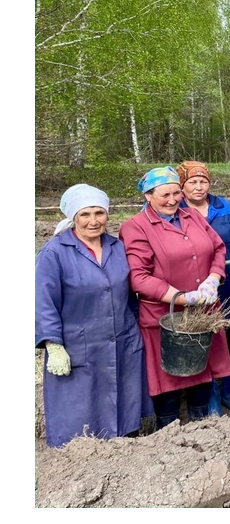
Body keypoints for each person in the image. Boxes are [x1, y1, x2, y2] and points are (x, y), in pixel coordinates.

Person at [35, 184, 153, 447]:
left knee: (122, 398)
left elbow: (131, 290)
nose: (93, 221)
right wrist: (53, 344)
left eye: (99, 213)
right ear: (73, 217)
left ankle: (123, 447)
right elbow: (42, 301)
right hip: (79, 344)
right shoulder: (54, 253)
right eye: (85, 214)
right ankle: (80, 458)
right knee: (81, 408)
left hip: (122, 338)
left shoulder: (117, 247)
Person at [119, 167, 230, 429]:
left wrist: (214, 278)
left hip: (202, 314)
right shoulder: (136, 227)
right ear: (148, 196)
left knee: (201, 374)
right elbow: (138, 277)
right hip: (165, 318)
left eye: (176, 193)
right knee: (168, 382)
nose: (172, 200)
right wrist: (182, 298)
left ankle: (202, 425)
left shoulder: (191, 215)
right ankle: (167, 433)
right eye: (164, 195)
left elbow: (217, 248)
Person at [178, 160, 230, 416]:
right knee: (204, 343)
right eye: (192, 182)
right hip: (197, 291)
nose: (199, 187)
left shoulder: (224, 207)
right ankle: (210, 397)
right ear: (182, 185)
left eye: (203, 181)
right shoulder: (176, 211)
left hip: (229, 286)